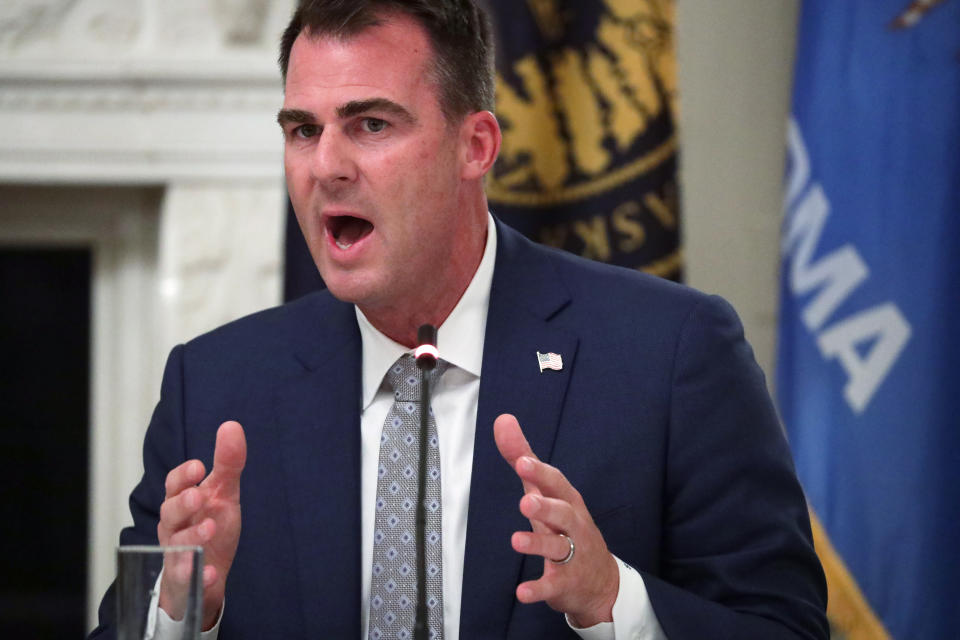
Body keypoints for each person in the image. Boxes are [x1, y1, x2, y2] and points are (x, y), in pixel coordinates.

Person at [89, 1, 828, 638]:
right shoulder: (216, 385)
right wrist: (183, 615)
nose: (326, 167)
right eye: (302, 131)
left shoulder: (669, 354)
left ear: (475, 146)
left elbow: (785, 627)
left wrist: (613, 601)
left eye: (370, 124)